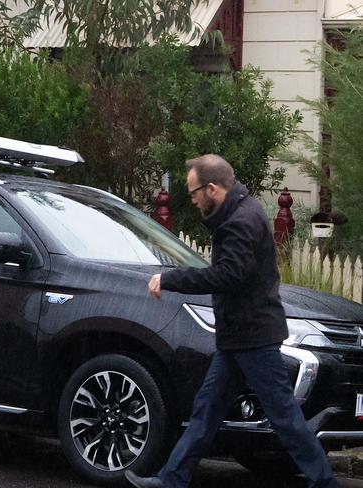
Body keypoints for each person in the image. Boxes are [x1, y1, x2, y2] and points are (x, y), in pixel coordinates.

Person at [125, 155, 337, 488]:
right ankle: (171, 480)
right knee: (206, 412)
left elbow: (227, 276)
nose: (192, 199)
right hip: (238, 338)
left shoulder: (240, 221)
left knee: (284, 418)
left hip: (253, 338)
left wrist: (170, 280)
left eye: (194, 192)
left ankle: (324, 483)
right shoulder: (240, 212)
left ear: (212, 188)